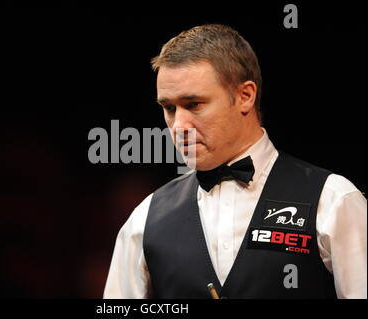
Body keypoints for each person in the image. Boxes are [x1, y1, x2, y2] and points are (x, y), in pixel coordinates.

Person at [103, 24, 367, 299]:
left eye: (194, 104)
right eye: (169, 108)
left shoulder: (334, 200)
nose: (178, 125)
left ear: (245, 96)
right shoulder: (145, 219)